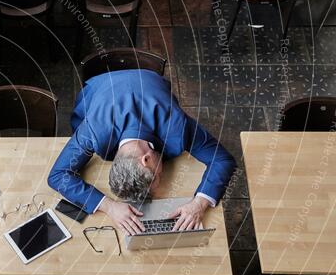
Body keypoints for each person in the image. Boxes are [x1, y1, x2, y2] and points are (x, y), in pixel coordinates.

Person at [48, 68, 236, 236]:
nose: (161, 177)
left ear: (146, 160)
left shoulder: (178, 127)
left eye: (159, 176)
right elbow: (58, 175)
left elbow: (222, 159)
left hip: (144, 81)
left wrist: (199, 204)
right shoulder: (93, 132)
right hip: (101, 90)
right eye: (158, 176)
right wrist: (109, 206)